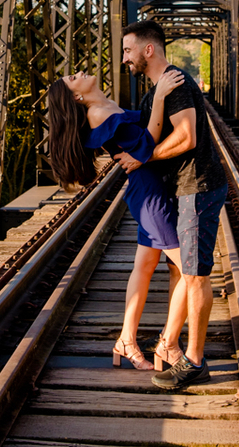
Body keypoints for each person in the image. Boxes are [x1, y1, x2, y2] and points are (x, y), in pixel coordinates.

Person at [47, 67, 186, 370]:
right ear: (77, 96)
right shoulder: (97, 114)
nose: (79, 72)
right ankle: (168, 345)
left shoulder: (108, 105)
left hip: (154, 188)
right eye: (73, 78)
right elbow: (147, 144)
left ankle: (126, 340)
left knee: (145, 266)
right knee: (190, 269)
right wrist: (160, 95)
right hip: (150, 195)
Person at [115, 19, 228, 389]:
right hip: (183, 189)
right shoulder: (155, 93)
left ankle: (194, 360)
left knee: (195, 274)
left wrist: (143, 160)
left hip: (197, 186)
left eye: (128, 50)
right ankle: (170, 344)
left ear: (149, 49)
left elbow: (187, 137)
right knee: (181, 270)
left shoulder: (175, 82)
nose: (124, 59)